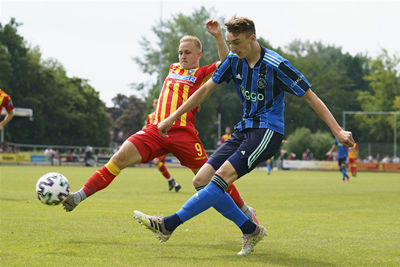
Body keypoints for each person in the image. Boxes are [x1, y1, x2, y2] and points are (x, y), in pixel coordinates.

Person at [133, 16, 355, 255]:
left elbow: (311, 96)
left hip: (267, 132)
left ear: (252, 38)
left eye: (237, 43)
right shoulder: (233, 60)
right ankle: (250, 229)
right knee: (201, 181)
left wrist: (338, 130)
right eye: (229, 43)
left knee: (222, 177)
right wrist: (171, 117)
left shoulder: (275, 64)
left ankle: (169, 224)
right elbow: (205, 90)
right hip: (244, 130)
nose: (232, 48)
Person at [62, 20, 259, 225]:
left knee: (214, 178)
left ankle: (246, 211)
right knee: (118, 158)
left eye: (188, 53)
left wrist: (218, 36)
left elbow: (228, 62)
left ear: (198, 55)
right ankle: (78, 197)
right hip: (155, 130)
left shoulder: (202, 73)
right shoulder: (173, 68)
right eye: (180, 52)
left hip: (184, 135)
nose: (182, 56)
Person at [146, 98, 181, 192]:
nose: (156, 104)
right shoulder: (150, 116)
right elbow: (147, 127)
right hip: (156, 143)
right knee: (157, 163)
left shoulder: (165, 115)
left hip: (165, 142)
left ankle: (172, 181)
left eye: (158, 102)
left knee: (156, 162)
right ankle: (174, 183)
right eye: (155, 102)